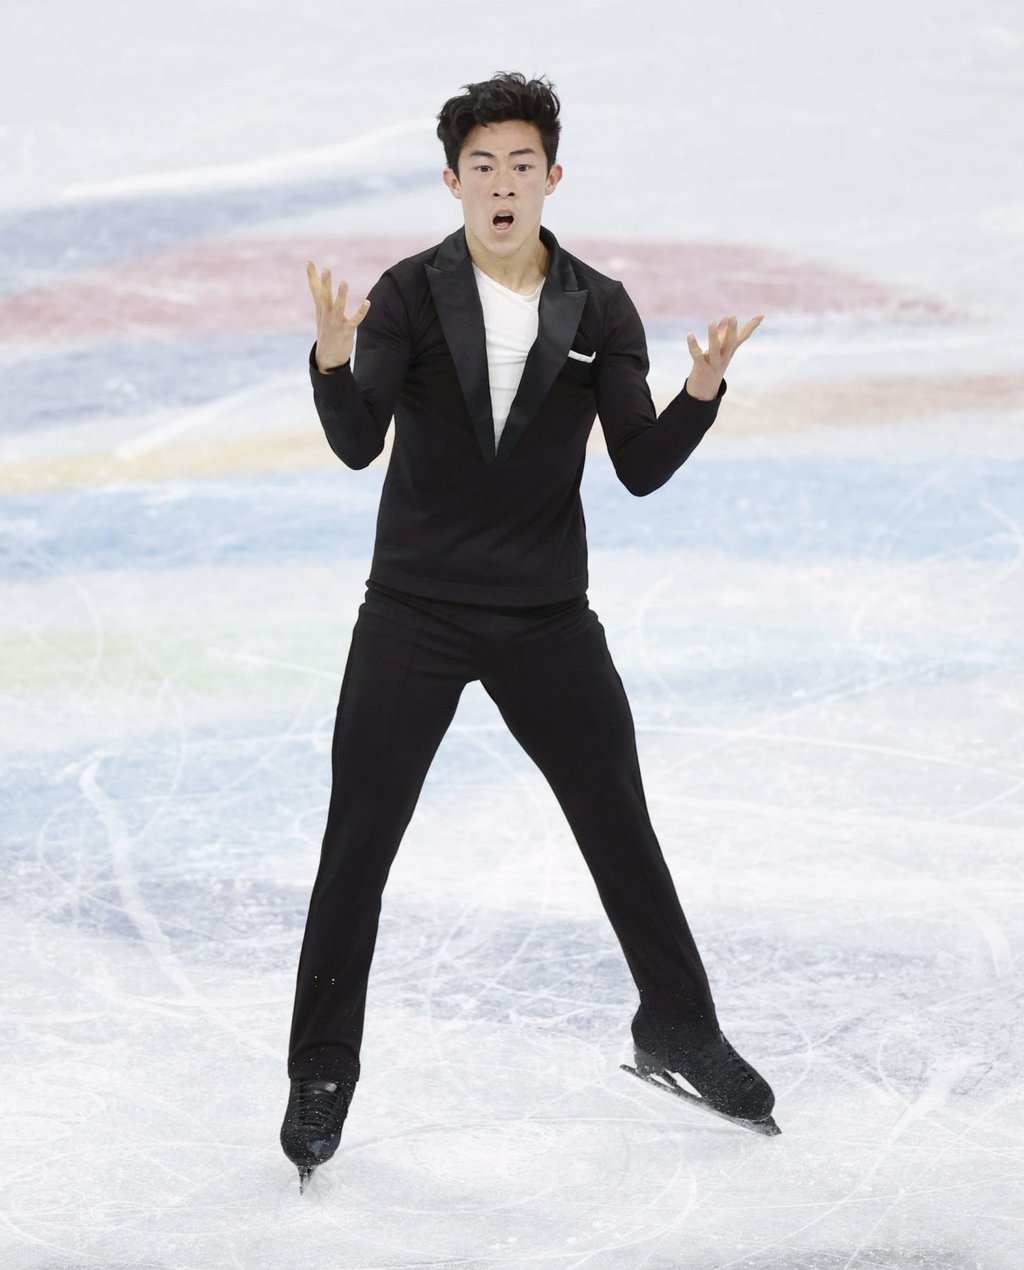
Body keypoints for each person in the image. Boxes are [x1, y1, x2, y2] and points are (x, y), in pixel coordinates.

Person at [280, 71, 776, 1191]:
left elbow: (639, 470)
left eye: (521, 166)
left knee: (619, 824)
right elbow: (358, 442)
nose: (501, 186)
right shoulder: (409, 296)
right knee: (356, 841)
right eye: (481, 167)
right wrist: (328, 360)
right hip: (412, 607)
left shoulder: (600, 308)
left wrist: (697, 394)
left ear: (551, 177)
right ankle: (322, 1068)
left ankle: (679, 1028)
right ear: (452, 180)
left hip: (547, 615)